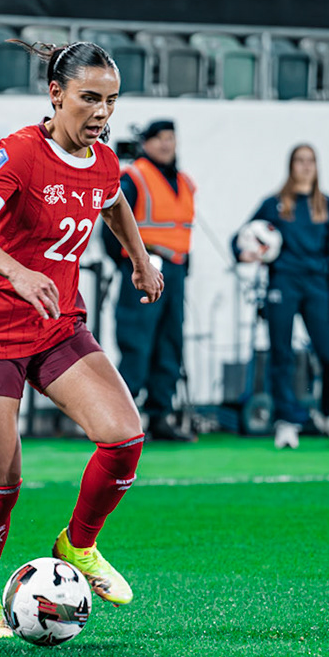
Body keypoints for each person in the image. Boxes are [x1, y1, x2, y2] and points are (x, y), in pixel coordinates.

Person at [0, 40, 162, 639]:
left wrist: (140, 259)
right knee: (3, 484)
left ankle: (78, 545)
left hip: (56, 320)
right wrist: (15, 269)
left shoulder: (103, 160)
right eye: (89, 98)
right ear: (56, 94)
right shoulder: (19, 151)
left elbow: (112, 201)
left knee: (123, 439)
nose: (101, 113)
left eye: (111, 101)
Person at [234, 144, 329, 450]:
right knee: (282, 355)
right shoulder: (274, 204)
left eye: (310, 161)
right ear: (291, 166)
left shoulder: (327, 207)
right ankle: (286, 422)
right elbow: (239, 237)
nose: (305, 166)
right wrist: (244, 252)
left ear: (316, 166)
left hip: (318, 286)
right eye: (299, 161)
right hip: (283, 283)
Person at [110, 119, 194, 440]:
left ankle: (160, 414)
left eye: (171, 138)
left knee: (170, 343)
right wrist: (131, 264)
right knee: (136, 342)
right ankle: (121, 418)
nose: (166, 144)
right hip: (142, 268)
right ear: (145, 143)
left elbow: (183, 230)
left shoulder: (183, 182)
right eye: (159, 138)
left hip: (176, 270)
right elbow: (113, 223)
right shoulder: (134, 177)